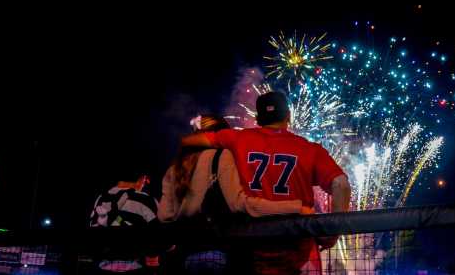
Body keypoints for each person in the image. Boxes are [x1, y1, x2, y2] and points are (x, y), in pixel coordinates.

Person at [181, 92, 352, 274]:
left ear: (257, 118)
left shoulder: (236, 138)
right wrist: (333, 232)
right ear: (288, 116)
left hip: (251, 246)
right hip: (295, 249)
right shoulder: (311, 149)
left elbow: (190, 141)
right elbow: (340, 184)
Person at [159, 114, 311, 274]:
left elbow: (164, 216)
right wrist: (294, 207)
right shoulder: (221, 157)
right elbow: (239, 204)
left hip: (185, 258)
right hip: (220, 254)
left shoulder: (174, 168)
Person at [89, 173, 159, 274]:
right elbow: (158, 244)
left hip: (104, 266)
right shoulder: (147, 200)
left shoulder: (100, 198)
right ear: (142, 178)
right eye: (145, 180)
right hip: (136, 267)